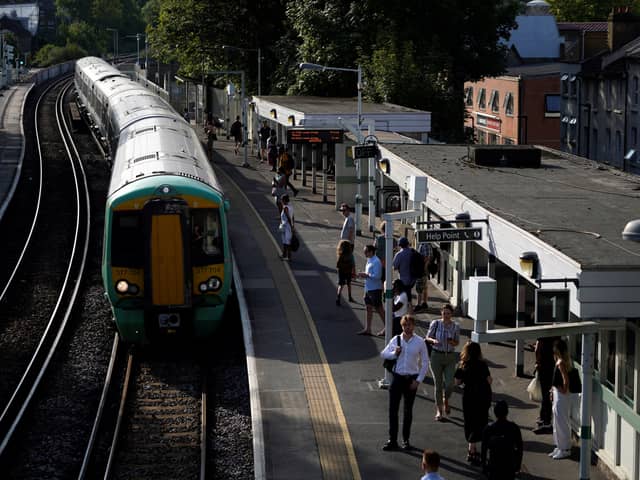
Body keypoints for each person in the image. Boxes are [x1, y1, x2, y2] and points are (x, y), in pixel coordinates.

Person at [380, 314, 429, 451]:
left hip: (411, 379)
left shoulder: (419, 341)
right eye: (405, 325)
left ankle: (406, 440)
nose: (407, 328)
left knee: (408, 411)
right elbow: (383, 354)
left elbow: (425, 362)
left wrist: (418, 380)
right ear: (402, 326)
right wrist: (394, 354)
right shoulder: (396, 339)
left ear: (413, 326)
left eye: (410, 325)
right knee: (393, 410)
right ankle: (392, 440)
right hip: (397, 378)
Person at [454, 341, 493, 463]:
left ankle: (471, 448)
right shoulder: (483, 364)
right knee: (481, 420)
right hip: (483, 395)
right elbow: (489, 380)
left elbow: (457, 382)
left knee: (470, 421)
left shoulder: (463, 365)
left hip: (469, 396)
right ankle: (479, 449)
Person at [425, 303, 460, 421]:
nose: (446, 315)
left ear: (451, 314)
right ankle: (439, 411)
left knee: (450, 383)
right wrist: (433, 341)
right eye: (444, 313)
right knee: (438, 384)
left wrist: (452, 342)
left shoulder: (455, 326)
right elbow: (427, 337)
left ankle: (446, 398)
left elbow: (457, 342)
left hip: (449, 356)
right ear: (441, 313)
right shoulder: (435, 323)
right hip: (436, 356)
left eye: (448, 313)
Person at [481, 400, 523, 480]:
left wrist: (484, 466)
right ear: (507, 412)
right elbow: (520, 448)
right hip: (509, 466)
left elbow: (484, 449)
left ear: (495, 412)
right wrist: (517, 465)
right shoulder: (514, 428)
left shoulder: (489, 429)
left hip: (494, 465)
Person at [549, 338, 574, 460]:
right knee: (558, 421)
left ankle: (565, 448)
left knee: (561, 422)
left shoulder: (561, 363)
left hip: (561, 396)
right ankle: (559, 446)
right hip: (558, 394)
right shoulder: (561, 361)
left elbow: (566, 380)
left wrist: (562, 389)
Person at [356, 244, 385, 336]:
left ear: (371, 252)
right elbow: (370, 274)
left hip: (375, 289)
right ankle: (368, 329)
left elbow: (377, 276)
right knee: (368, 308)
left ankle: (388, 328)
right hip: (368, 288)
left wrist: (366, 275)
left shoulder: (376, 262)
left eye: (366, 252)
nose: (364, 253)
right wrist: (364, 274)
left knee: (379, 309)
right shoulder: (369, 260)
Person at [533, 336, 560, 434]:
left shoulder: (542, 336)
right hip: (552, 367)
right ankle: (544, 418)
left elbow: (537, 349)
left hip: (544, 367)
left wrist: (537, 362)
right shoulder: (556, 336)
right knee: (548, 394)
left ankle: (546, 421)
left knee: (546, 394)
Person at [392, 237, 416, 312]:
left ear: (400, 245)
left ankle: (408, 313)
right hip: (412, 278)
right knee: (408, 295)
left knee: (404, 297)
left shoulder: (399, 254)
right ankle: (410, 311)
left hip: (403, 279)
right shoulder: (413, 252)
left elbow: (394, 267)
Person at [336, 239, 355, 305]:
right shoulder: (350, 255)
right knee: (349, 284)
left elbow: (337, 265)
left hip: (341, 271)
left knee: (340, 285)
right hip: (348, 271)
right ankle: (350, 297)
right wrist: (353, 272)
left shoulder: (340, 254)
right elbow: (353, 264)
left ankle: (338, 297)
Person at [414, 241, 432, 312]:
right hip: (423, 270)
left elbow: (427, 258)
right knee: (424, 287)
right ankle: (424, 303)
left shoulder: (425, 245)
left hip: (422, 270)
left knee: (419, 288)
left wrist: (424, 269)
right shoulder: (425, 244)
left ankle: (419, 305)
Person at [279, 194, 294, 261]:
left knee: (286, 242)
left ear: (284, 200)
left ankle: (288, 256)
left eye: (282, 200)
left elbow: (288, 218)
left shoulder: (285, 208)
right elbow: (292, 217)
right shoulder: (291, 207)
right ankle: (285, 255)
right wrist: (293, 226)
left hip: (286, 227)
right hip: (288, 226)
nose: (281, 201)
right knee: (286, 242)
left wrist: (291, 227)